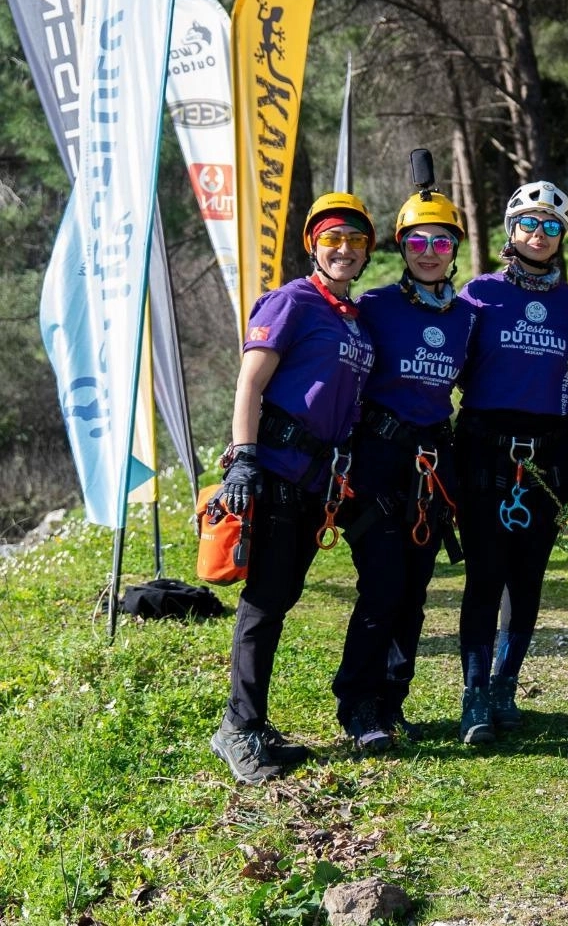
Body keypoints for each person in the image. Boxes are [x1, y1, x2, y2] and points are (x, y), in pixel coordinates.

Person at [210, 193, 377, 784]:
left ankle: (252, 723)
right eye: (332, 238)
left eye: (355, 240)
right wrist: (244, 459)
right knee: (264, 601)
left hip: (316, 481)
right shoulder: (293, 301)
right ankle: (238, 728)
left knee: (280, 598)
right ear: (313, 245)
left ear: (367, 252)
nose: (343, 249)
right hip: (278, 472)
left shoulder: (352, 317)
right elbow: (250, 383)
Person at [331, 178, 476, 752]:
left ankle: (392, 700)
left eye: (441, 242)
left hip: (433, 465)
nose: (429, 252)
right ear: (400, 247)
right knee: (382, 585)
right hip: (378, 461)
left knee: (414, 590)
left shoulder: (466, 317)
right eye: (417, 242)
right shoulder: (372, 308)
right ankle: (358, 702)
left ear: (455, 249)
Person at [454, 180, 568, 744]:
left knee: (527, 577)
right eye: (529, 223)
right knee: (486, 576)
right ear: (512, 229)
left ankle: (506, 685)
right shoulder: (477, 293)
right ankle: (475, 694)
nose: (539, 233)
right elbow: (453, 363)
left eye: (551, 226)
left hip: (547, 452)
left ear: (561, 237)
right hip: (485, 447)